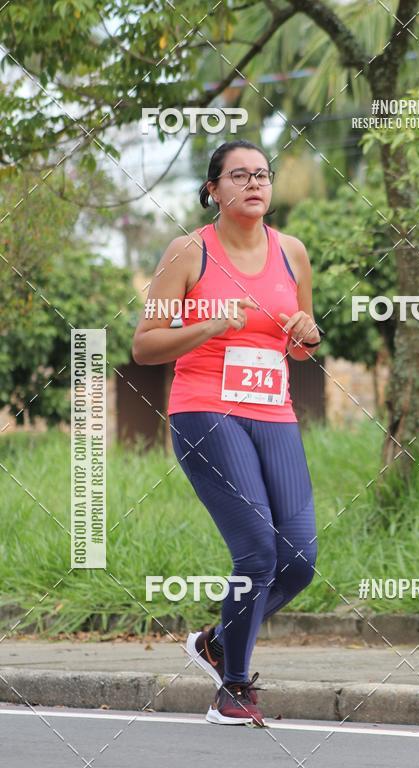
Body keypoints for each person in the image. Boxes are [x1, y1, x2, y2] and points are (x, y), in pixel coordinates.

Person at [132, 139, 321, 727]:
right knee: (258, 550)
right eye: (238, 176)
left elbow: (300, 347)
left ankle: (217, 641)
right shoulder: (189, 252)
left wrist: (309, 334)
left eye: (261, 174)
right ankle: (233, 689)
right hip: (204, 410)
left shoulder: (292, 252)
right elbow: (144, 345)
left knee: (299, 558)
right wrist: (211, 322)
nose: (254, 184)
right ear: (213, 189)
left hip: (273, 411)